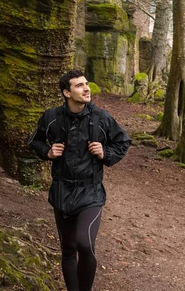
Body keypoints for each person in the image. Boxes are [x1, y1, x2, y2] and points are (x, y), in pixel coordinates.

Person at [29, 69, 130, 291]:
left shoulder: (101, 117)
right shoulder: (51, 117)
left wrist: (105, 153)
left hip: (90, 192)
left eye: (86, 84)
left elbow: (122, 142)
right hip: (61, 191)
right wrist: (47, 151)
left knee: (84, 244)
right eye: (79, 85)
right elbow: (34, 141)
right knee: (67, 250)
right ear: (66, 92)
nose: (86, 89)